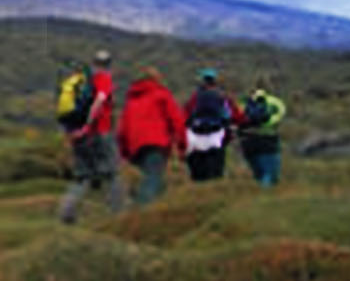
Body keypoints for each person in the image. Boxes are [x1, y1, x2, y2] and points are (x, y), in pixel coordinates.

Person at [56, 52, 129, 224]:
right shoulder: (103, 79)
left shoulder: (80, 81)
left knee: (82, 177)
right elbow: (100, 101)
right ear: (109, 65)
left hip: (78, 137)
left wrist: (76, 131)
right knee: (111, 174)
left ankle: (66, 213)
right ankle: (120, 217)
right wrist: (88, 125)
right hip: (98, 133)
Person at [118, 67, 187, 206]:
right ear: (156, 79)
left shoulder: (131, 100)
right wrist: (182, 145)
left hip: (135, 148)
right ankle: (142, 216)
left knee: (152, 179)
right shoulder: (162, 95)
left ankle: (151, 212)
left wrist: (124, 153)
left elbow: (122, 131)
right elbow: (177, 120)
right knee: (152, 179)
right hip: (157, 143)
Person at [182, 69, 245, 183]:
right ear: (215, 82)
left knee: (198, 171)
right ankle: (215, 191)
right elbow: (236, 116)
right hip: (217, 136)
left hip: (197, 136)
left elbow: (184, 116)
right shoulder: (223, 97)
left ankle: (197, 193)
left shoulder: (195, 98)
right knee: (216, 169)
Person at [238, 79, 289, 187]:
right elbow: (280, 115)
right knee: (270, 175)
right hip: (268, 141)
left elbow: (237, 119)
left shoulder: (245, 103)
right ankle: (265, 195)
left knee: (258, 174)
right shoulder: (275, 102)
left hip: (247, 142)